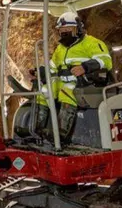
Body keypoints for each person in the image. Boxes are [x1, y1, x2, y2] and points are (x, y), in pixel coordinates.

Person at [32, 11, 113, 144]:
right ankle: (37, 131)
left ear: (78, 28)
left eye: (68, 29)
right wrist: (42, 72)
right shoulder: (61, 49)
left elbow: (106, 61)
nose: (65, 32)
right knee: (44, 91)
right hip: (64, 81)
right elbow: (53, 67)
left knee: (67, 91)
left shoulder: (91, 43)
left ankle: (61, 134)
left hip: (86, 82)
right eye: (62, 30)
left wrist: (85, 67)